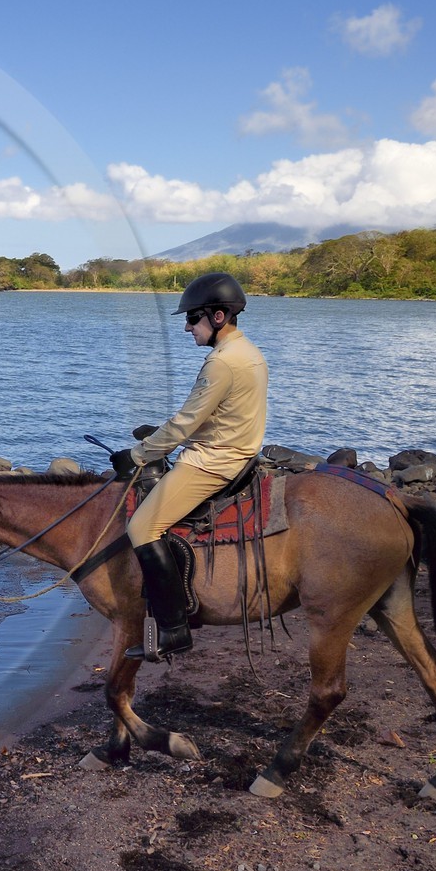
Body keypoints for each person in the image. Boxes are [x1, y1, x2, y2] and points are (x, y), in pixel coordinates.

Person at [110, 272, 268, 662]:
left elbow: (185, 423)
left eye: (192, 319)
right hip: (231, 449)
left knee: (141, 527)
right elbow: (209, 417)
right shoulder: (247, 352)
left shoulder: (223, 363)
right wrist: (158, 436)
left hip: (214, 462)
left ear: (217, 316)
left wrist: (138, 454)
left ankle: (173, 631)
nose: (186, 327)